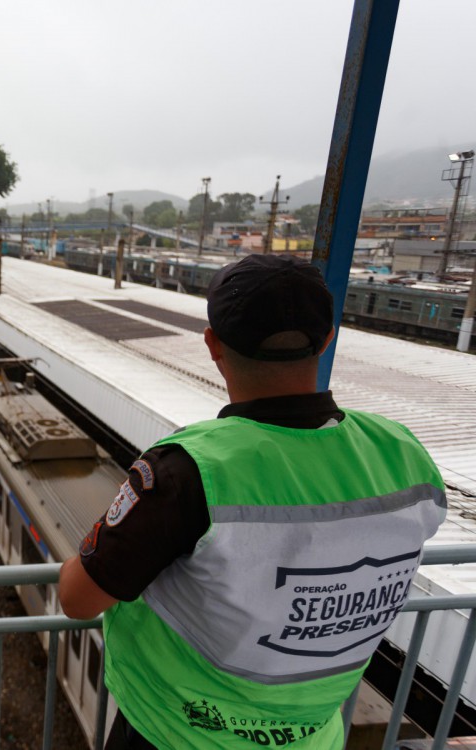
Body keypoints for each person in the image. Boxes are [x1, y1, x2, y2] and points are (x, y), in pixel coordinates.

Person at [58, 254, 446, 749]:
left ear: (213, 344)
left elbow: (77, 597)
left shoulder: (188, 471)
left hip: (173, 734)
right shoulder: (404, 455)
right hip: (313, 738)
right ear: (328, 339)